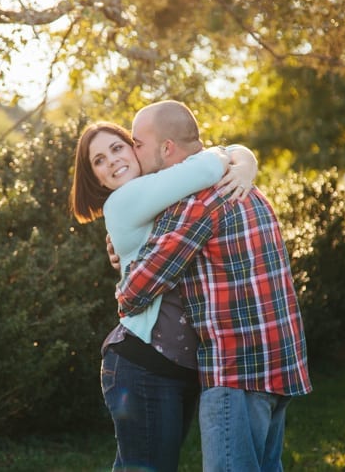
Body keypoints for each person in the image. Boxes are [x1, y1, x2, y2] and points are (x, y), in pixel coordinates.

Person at [115, 100, 312, 472]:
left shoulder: (197, 200)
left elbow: (136, 291)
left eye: (138, 143)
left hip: (237, 371)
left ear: (167, 148)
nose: (133, 151)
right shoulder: (244, 186)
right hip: (279, 364)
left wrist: (125, 261)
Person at [70, 120, 257, 472]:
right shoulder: (124, 200)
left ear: (135, 148)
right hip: (143, 364)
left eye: (117, 148)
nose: (111, 161)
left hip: (176, 366)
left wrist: (244, 157)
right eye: (98, 161)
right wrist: (239, 159)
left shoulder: (160, 194)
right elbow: (204, 165)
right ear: (96, 178)